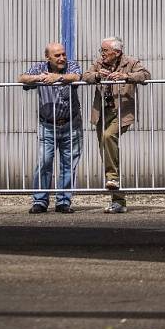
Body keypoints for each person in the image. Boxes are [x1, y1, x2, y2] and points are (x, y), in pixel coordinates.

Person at [83, 36, 151, 213]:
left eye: (105, 50)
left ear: (117, 52)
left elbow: (145, 75)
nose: (102, 54)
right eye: (102, 50)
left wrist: (125, 77)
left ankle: (113, 178)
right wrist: (98, 75)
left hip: (121, 113)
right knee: (107, 152)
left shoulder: (131, 62)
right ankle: (118, 201)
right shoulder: (99, 63)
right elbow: (85, 75)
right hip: (102, 113)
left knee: (108, 137)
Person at [18, 42, 82, 214]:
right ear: (47, 57)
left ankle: (63, 202)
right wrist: (39, 78)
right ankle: (40, 201)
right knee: (44, 162)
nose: (62, 58)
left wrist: (58, 78)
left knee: (69, 164)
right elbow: (21, 78)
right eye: (57, 55)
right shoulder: (39, 67)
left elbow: (77, 77)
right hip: (47, 124)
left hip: (70, 123)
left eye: (63, 54)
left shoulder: (71, 65)